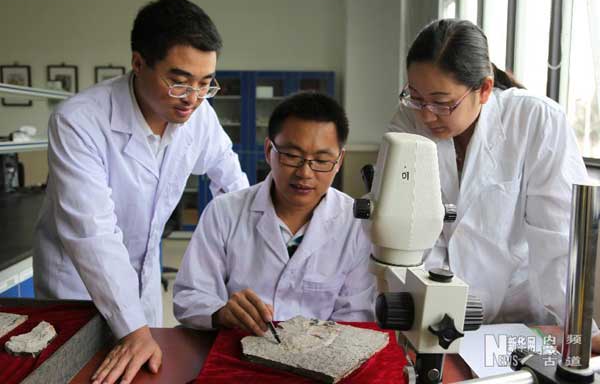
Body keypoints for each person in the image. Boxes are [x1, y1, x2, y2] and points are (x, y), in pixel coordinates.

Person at [33, 0, 249, 384]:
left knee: (147, 374)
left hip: (143, 281)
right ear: (138, 63)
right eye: (179, 81)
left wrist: (242, 266)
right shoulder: (79, 122)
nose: (194, 99)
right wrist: (133, 330)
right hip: (77, 284)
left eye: (205, 84)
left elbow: (231, 184)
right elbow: (92, 233)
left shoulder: (199, 116)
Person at [386, 18, 600, 343]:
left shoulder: (535, 121)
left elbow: (558, 243)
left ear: (484, 89)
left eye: (442, 102)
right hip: (435, 316)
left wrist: (579, 335)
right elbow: (409, 235)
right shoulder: (407, 121)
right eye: (415, 96)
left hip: (522, 317)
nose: (426, 115)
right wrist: (430, 310)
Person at [173, 92, 376, 334]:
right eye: (292, 156)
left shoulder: (356, 224)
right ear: (269, 150)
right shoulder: (224, 212)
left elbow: (356, 314)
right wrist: (220, 312)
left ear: (339, 160)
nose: (305, 173)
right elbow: (190, 295)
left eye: (321, 160)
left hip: (319, 361)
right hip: (237, 350)